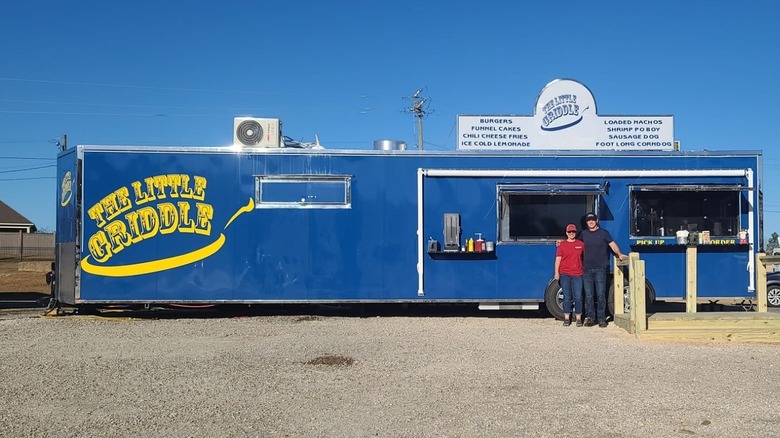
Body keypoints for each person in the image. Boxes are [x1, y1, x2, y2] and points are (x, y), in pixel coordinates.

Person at [580, 212, 627, 328]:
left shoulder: (604, 233)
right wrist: (561, 242)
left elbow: (612, 245)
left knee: (601, 294)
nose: (590, 222)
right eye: (588, 220)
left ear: (596, 221)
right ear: (586, 222)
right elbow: (574, 245)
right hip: (587, 269)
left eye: (592, 220)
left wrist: (619, 254)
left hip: (600, 268)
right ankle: (591, 318)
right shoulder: (583, 234)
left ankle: (601, 318)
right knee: (589, 295)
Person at [554, 223, 585, 327]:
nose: (571, 233)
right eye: (569, 232)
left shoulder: (581, 244)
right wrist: (556, 272)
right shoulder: (562, 245)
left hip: (578, 274)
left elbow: (585, 258)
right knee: (567, 296)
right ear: (566, 233)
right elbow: (558, 259)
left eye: (573, 232)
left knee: (578, 297)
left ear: (575, 233)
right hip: (565, 274)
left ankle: (578, 318)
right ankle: (566, 318)